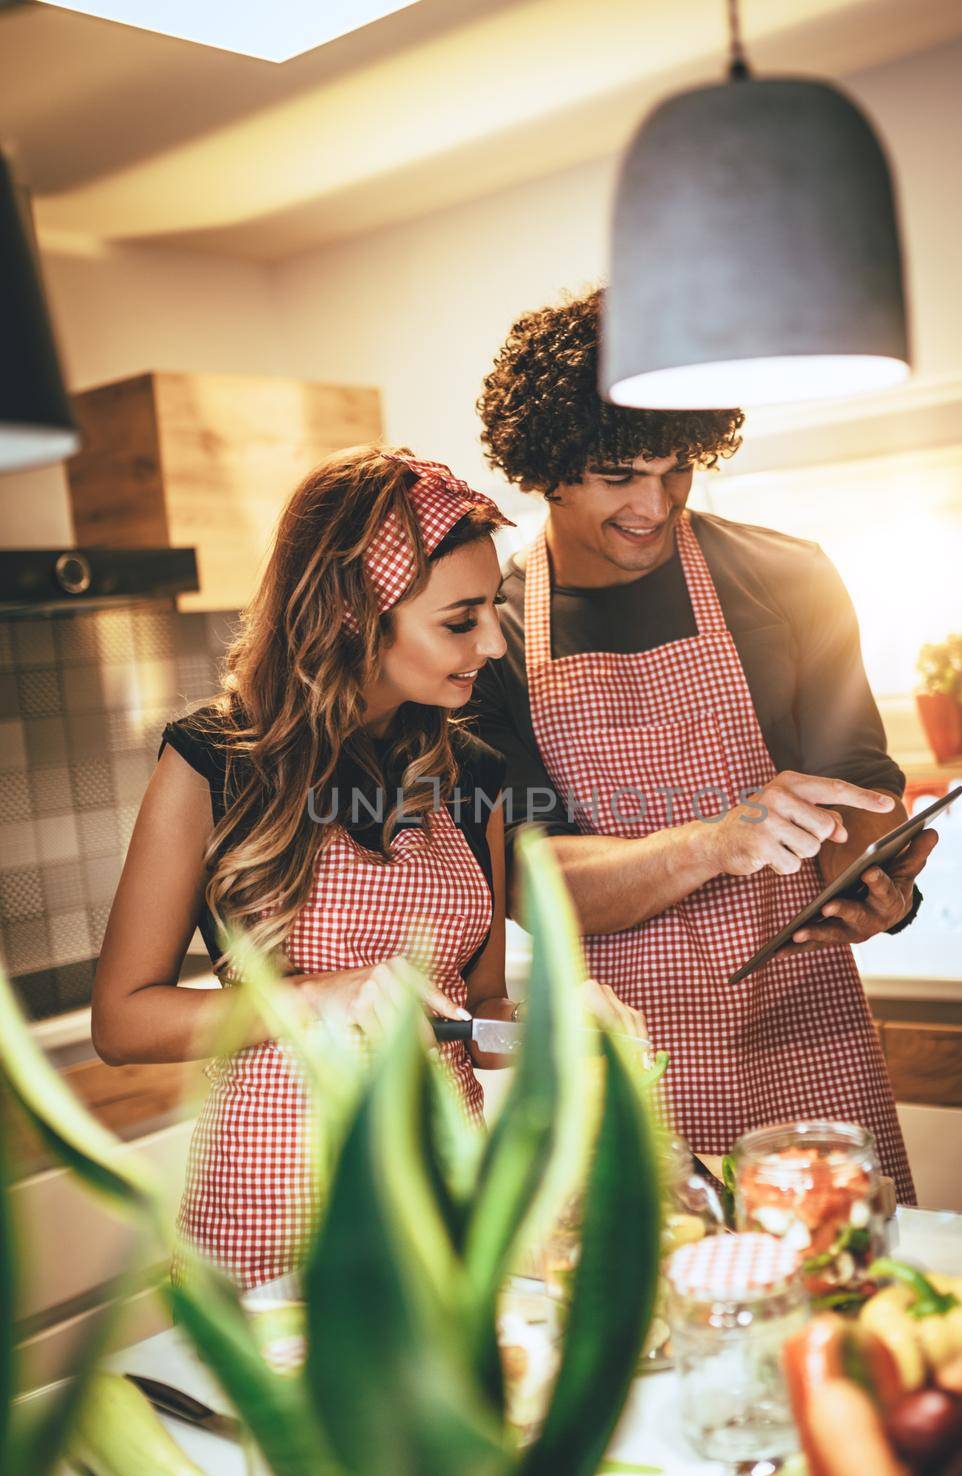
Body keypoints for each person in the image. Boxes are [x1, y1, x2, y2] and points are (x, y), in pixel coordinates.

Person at [91, 446, 644, 1288]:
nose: (493, 643)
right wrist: (318, 996)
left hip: (445, 1207)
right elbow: (122, 1022)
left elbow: (477, 1008)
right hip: (273, 1217)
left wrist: (551, 1027)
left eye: (492, 607)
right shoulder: (215, 763)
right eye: (459, 621)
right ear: (354, 615)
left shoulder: (473, 776)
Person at [471, 290, 938, 1202]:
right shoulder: (491, 637)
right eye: (617, 475)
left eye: (677, 468)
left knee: (847, 1307)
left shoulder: (789, 576)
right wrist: (719, 839)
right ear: (546, 465)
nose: (654, 504)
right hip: (622, 1059)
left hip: (807, 1034)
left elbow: (860, 798)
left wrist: (883, 888)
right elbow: (530, 885)